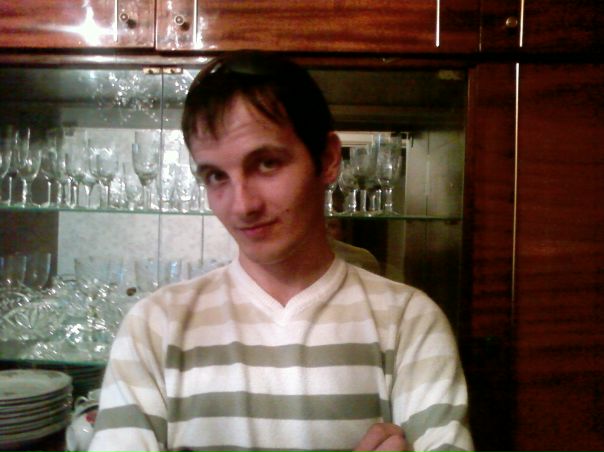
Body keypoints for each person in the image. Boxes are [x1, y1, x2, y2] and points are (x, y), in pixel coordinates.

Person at [89, 50, 474, 452]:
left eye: (267, 163)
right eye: (216, 176)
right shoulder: (155, 327)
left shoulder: (409, 321)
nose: (242, 206)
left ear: (327, 159)